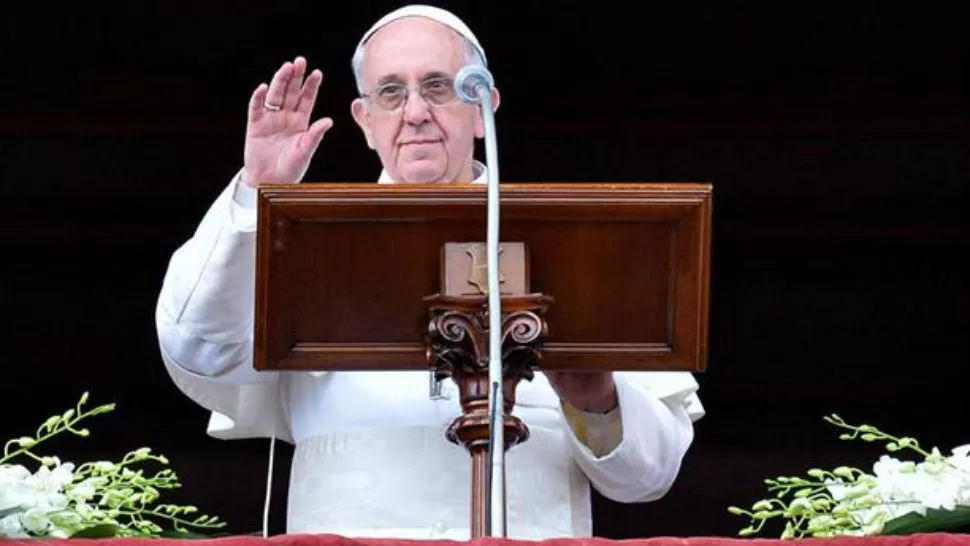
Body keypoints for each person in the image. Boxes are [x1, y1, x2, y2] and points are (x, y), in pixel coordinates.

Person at [155, 4, 705, 540]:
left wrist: (595, 398)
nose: (415, 112)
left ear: (484, 106)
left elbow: (646, 480)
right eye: (391, 92)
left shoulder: (577, 252)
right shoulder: (307, 246)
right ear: (364, 121)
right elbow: (200, 352)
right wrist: (257, 193)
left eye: (439, 86)